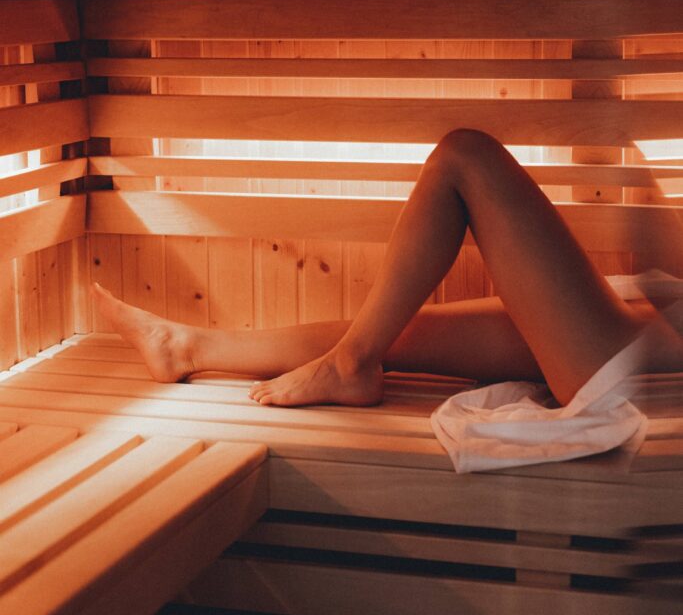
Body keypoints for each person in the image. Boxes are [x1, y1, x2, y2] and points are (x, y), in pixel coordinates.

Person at [92, 129, 683, 410]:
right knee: (400, 329)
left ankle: (349, 366)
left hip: (626, 358)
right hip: (640, 332)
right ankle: (186, 347)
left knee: (465, 156)